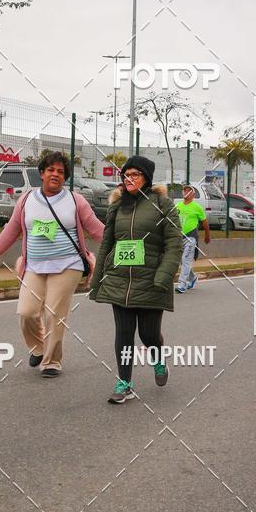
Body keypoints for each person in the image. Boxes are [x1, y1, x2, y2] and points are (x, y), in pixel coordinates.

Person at [0, 151, 104, 377]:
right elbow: (12, 229)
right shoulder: (26, 199)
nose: (55, 174)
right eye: (51, 170)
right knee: (26, 312)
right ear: (42, 173)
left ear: (65, 178)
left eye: (61, 172)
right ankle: (38, 348)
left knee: (54, 313)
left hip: (68, 265)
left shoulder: (75, 200)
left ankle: (52, 361)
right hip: (33, 265)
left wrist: (124, 244)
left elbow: (97, 229)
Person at [89, 156, 183, 404]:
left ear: (147, 178)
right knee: (124, 333)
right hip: (120, 279)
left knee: (149, 334)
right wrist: (97, 279)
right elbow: (107, 243)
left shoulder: (164, 205)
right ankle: (125, 383)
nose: (128, 179)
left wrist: (164, 274)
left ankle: (159, 360)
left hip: (151, 279)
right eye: (125, 174)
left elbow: (174, 243)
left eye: (135, 174)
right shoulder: (117, 206)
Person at [175, 184, 210, 293]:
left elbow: (204, 222)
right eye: (184, 190)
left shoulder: (197, 207)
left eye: (189, 190)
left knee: (186, 259)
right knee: (182, 260)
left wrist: (207, 235)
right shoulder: (178, 205)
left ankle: (182, 284)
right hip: (179, 237)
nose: (186, 192)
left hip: (191, 237)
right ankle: (192, 278)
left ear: (193, 194)